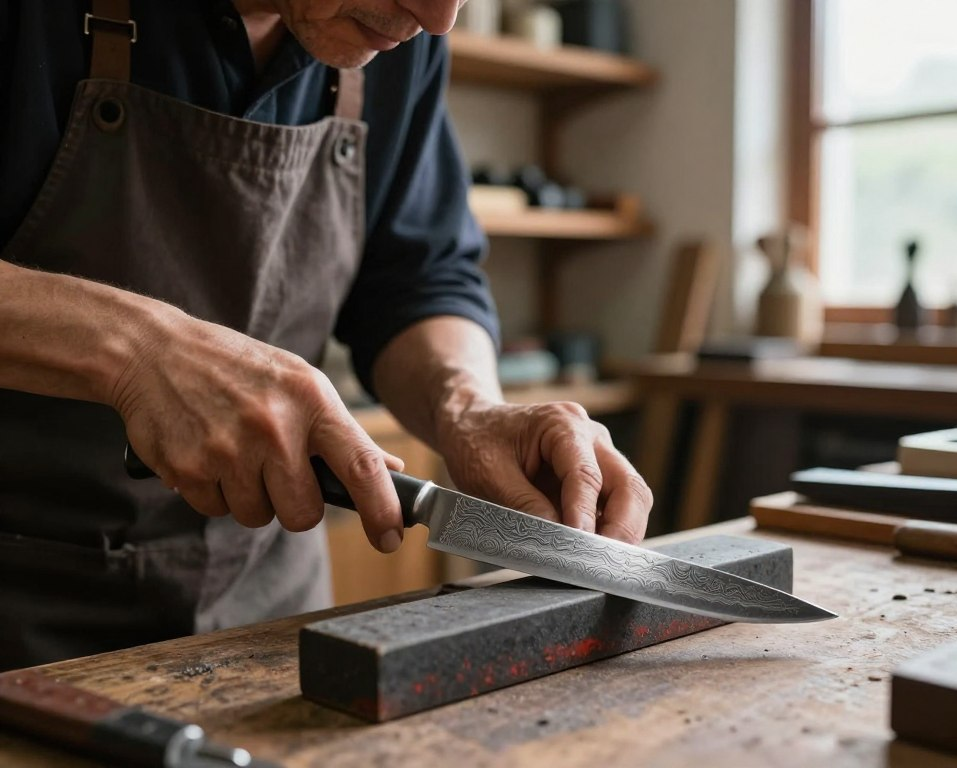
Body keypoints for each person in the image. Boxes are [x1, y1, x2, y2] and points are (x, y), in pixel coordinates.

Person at [0, 0, 653, 671]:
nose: (438, 20)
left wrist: (469, 408)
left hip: (267, 621)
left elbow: (415, 280)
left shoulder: (394, 33)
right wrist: (139, 350)